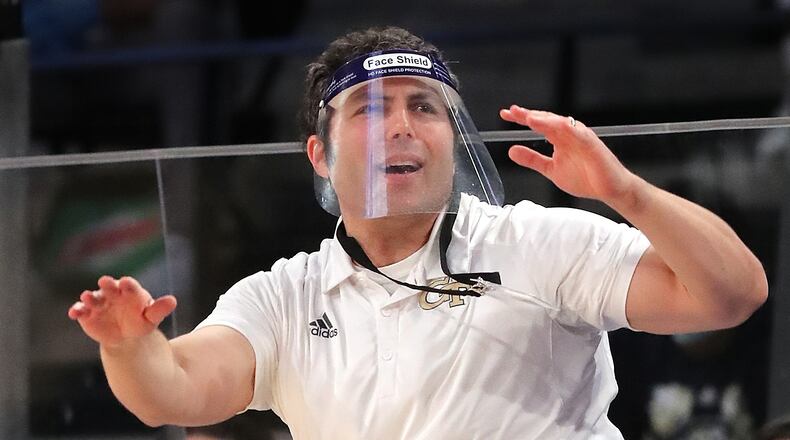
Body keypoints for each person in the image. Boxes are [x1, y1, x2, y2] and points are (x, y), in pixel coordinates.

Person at [67, 26, 768, 439]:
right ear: (321, 153)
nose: (403, 124)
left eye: (425, 106)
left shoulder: (540, 243)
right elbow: (178, 388)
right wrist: (131, 348)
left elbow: (730, 296)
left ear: (452, 139)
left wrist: (626, 192)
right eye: (372, 109)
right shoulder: (282, 297)